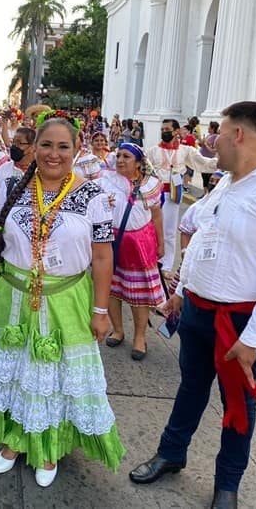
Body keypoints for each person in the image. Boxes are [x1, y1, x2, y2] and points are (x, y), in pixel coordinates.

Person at [129, 101, 256, 509]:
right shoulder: (228, 183)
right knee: (191, 387)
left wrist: (252, 339)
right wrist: (182, 291)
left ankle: (227, 483)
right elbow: (202, 237)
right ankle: (171, 453)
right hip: (197, 309)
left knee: (238, 405)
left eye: (220, 134)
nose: (212, 144)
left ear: (240, 136)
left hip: (241, 321)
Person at [0, 117, 125, 488]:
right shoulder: (11, 187)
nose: (53, 154)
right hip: (11, 298)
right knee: (16, 371)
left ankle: (47, 446)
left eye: (63, 147)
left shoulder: (93, 197)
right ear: (34, 148)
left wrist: (101, 311)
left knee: (54, 377)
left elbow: (102, 258)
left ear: (76, 150)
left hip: (65, 300)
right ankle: (15, 440)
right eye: (46, 145)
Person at [100, 143, 164, 360]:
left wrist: (161, 243)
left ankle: (139, 337)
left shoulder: (151, 185)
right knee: (110, 289)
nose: (120, 160)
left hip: (140, 246)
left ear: (139, 163)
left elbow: (156, 216)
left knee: (140, 294)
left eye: (126, 156)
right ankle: (118, 329)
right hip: (111, 243)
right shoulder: (105, 180)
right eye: (118, 155)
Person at [147, 119, 218, 276]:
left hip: (173, 194)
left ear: (176, 131)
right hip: (155, 194)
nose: (164, 132)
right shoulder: (153, 151)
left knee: (170, 230)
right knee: (151, 228)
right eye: (162, 129)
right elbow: (145, 171)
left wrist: (221, 162)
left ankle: (166, 266)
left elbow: (202, 163)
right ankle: (150, 262)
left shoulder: (186, 151)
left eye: (167, 129)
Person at [0, 126, 36, 206]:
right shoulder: (5, 168)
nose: (14, 146)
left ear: (32, 147)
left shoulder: (40, 171)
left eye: (19, 143)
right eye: (14, 142)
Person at [199, 121, 219, 188]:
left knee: (207, 177)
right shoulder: (208, 135)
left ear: (213, 128)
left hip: (209, 160)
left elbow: (212, 150)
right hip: (204, 159)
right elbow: (202, 145)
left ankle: (207, 192)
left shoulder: (215, 137)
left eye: (209, 127)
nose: (208, 128)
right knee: (204, 176)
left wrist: (205, 144)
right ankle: (205, 192)